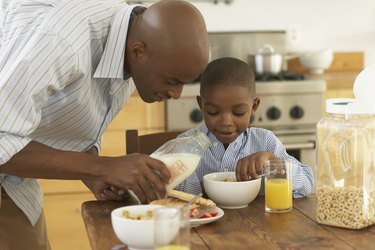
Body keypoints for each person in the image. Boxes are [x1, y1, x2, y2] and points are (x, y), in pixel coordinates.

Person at [0, 0, 209, 249]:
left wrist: (97, 176)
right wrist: (101, 167)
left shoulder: (130, 43)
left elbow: (73, 129)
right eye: (172, 80)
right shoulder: (63, 40)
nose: (176, 94)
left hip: (13, 177)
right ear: (138, 52)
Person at [175, 57, 314, 198]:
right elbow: (174, 198)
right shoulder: (185, 145)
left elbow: (307, 184)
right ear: (201, 105)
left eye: (238, 113)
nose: (226, 122)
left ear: (254, 106)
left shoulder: (265, 141)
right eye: (213, 112)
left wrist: (274, 165)